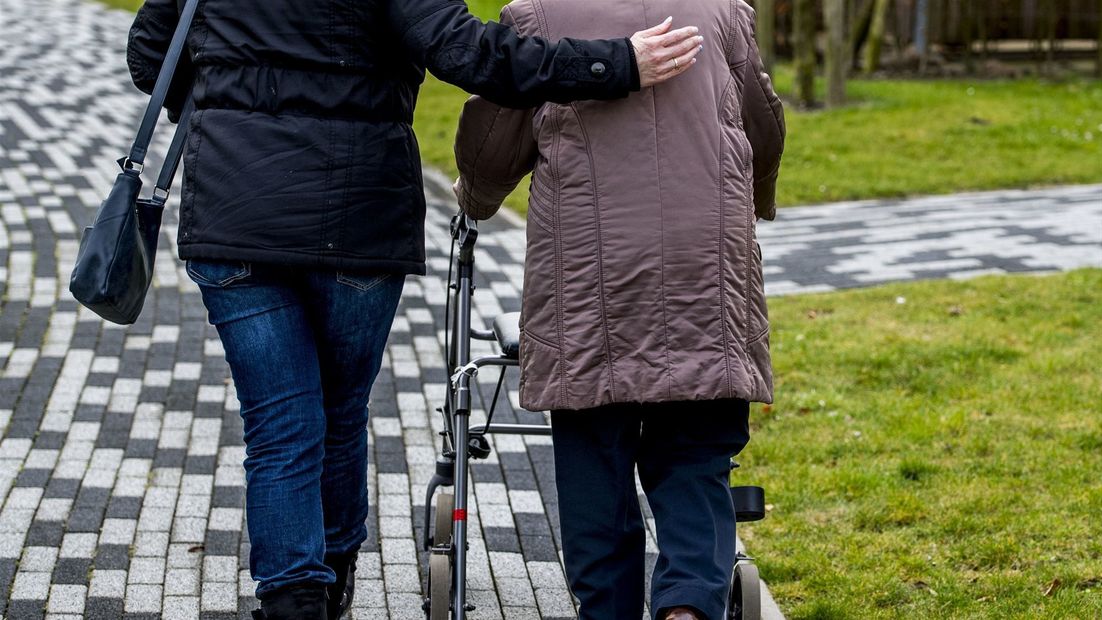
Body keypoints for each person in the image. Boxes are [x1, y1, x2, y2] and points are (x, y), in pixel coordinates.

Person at [125, 1, 705, 618]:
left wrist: (233, 111)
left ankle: (296, 596)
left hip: (234, 210)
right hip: (356, 220)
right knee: (339, 409)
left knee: (280, 423)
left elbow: (149, 55)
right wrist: (615, 63)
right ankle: (331, 573)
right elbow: (472, 55)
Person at [453, 0, 785, 617]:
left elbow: (495, 139)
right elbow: (760, 123)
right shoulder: (721, 9)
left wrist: (475, 198)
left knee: (596, 458)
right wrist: (756, 196)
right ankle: (687, 605)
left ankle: (607, 607)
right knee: (694, 455)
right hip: (702, 262)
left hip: (589, 276)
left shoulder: (538, 17)